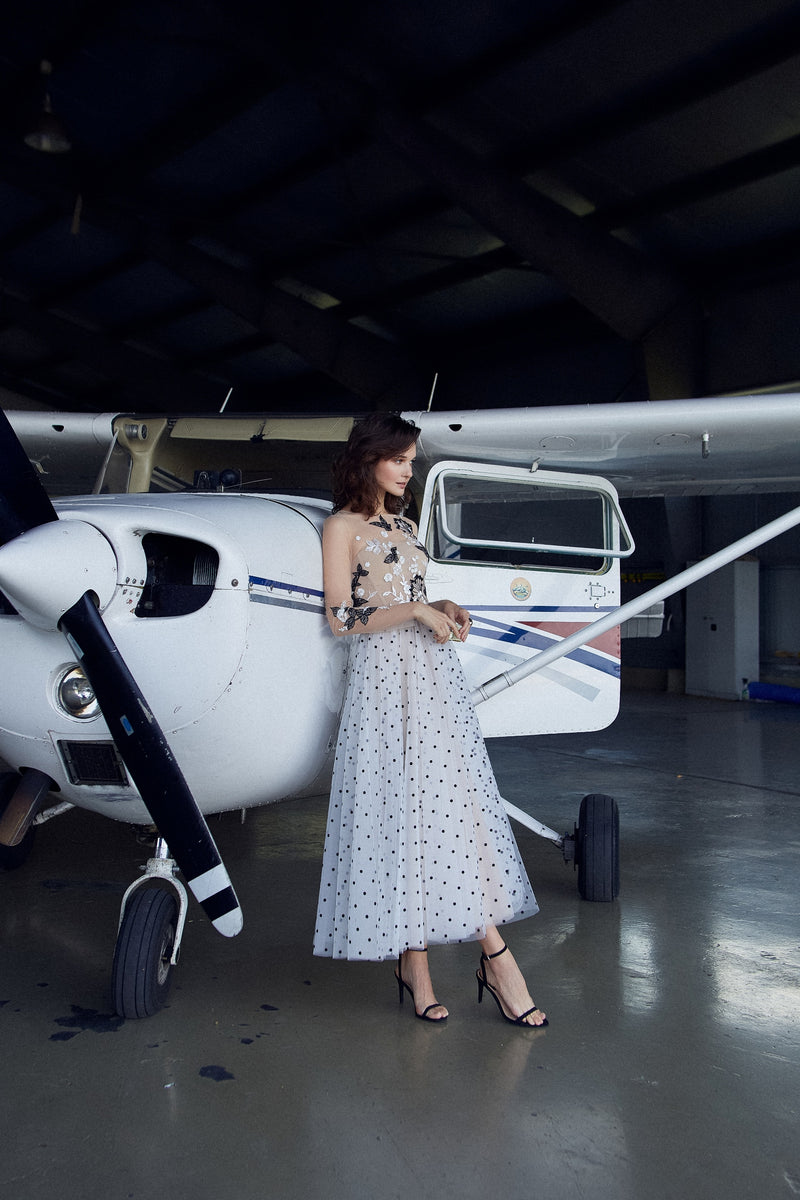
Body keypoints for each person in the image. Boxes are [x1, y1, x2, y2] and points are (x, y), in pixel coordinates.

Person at [313, 413, 547, 1027]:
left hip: (432, 679)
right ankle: (427, 964)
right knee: (400, 813)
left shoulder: (405, 524)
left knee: (452, 811)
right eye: (400, 460)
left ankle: (487, 956)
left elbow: (404, 597)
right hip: (382, 684)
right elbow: (341, 619)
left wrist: (437, 604)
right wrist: (415, 609)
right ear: (369, 459)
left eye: (412, 460)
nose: (407, 470)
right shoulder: (341, 527)